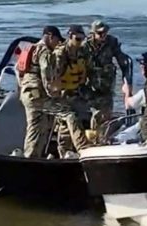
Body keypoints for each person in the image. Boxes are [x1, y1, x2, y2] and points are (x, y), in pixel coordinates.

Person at [17, 26, 64, 158]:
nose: (57, 44)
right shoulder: (44, 51)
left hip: (27, 93)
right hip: (37, 95)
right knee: (38, 127)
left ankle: (32, 156)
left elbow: (18, 70)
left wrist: (23, 87)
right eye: (57, 40)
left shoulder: (30, 48)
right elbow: (47, 77)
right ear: (50, 36)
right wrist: (55, 94)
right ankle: (31, 158)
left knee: (36, 126)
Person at [82, 20, 132, 130]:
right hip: (90, 85)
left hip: (106, 84)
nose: (103, 35)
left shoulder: (111, 42)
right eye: (100, 33)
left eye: (105, 32)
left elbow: (122, 60)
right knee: (93, 114)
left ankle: (103, 137)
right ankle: (93, 136)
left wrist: (126, 81)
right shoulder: (85, 45)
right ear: (93, 33)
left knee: (106, 114)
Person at [52, 25, 91, 158]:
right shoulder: (61, 53)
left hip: (76, 91)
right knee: (69, 122)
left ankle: (68, 153)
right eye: (77, 38)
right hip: (63, 94)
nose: (80, 41)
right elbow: (53, 76)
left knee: (75, 121)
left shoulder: (80, 52)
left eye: (82, 39)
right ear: (70, 36)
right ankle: (77, 151)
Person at [113, 52, 147, 142]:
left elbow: (129, 104)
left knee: (117, 138)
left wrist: (127, 91)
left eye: (142, 66)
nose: (141, 69)